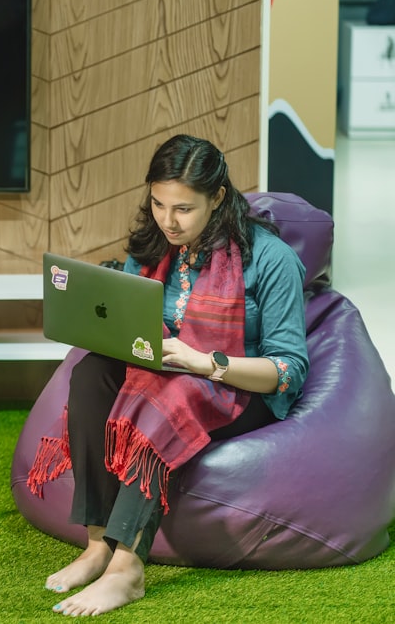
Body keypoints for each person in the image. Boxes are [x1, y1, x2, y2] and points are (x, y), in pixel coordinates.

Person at [28, 134, 309, 616]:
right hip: (164, 368)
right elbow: (132, 324)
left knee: (171, 392)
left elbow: (289, 370)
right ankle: (97, 543)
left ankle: (127, 568)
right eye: (158, 204)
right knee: (91, 375)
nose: (168, 220)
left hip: (237, 388)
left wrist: (208, 363)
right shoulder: (155, 247)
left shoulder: (270, 259)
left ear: (217, 198)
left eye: (183, 209)